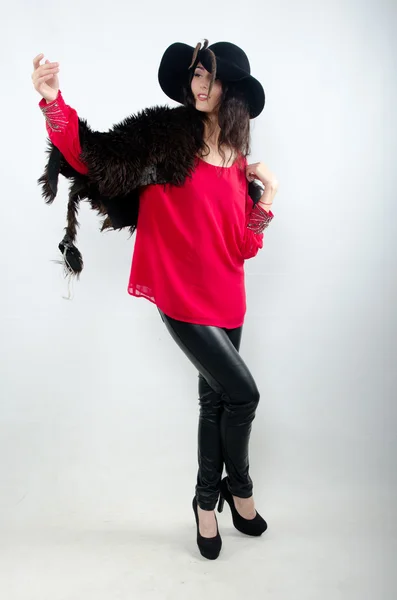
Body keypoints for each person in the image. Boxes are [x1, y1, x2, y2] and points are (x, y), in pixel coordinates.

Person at [32, 39, 278, 560]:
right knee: (245, 397)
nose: (201, 84)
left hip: (229, 298)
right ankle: (242, 490)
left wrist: (268, 201)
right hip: (181, 297)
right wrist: (53, 101)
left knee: (215, 402)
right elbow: (91, 156)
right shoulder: (164, 138)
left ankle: (204, 505)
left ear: (231, 88)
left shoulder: (237, 161)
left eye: (210, 75)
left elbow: (243, 247)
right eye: (196, 75)